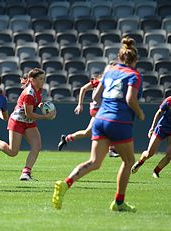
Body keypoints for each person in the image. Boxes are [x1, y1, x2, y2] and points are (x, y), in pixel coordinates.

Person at [52, 37, 145, 212]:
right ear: (134, 60)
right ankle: (119, 202)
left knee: (94, 162)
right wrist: (139, 113)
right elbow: (130, 99)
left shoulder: (109, 70)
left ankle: (65, 184)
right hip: (119, 121)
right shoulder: (134, 75)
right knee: (129, 161)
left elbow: (95, 97)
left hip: (100, 118)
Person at [0, 68, 56, 181]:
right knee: (12, 152)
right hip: (17, 121)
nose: (43, 81)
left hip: (28, 122)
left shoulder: (39, 89)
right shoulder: (29, 93)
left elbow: (34, 105)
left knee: (37, 146)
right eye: (41, 79)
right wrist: (45, 116)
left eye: (44, 79)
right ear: (32, 79)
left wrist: (42, 106)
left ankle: (26, 173)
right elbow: (29, 114)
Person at [57, 72, 119, 158]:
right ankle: (111, 149)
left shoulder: (113, 83)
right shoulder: (100, 81)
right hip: (98, 110)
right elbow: (83, 89)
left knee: (87, 132)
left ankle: (66, 139)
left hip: (101, 110)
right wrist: (80, 104)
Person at [131, 96, 171, 178]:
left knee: (169, 155)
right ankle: (140, 162)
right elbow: (159, 112)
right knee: (150, 153)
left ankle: (156, 171)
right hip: (162, 128)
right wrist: (152, 128)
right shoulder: (169, 100)